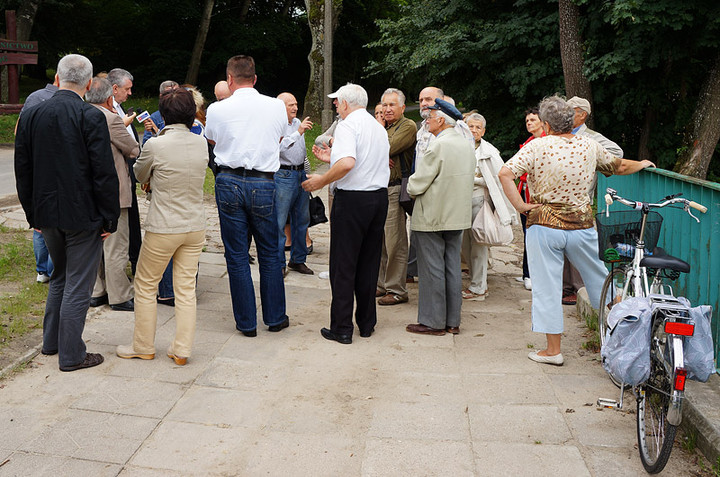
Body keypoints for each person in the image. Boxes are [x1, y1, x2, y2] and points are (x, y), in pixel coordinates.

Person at [499, 95, 655, 365]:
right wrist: (642, 164)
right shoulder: (589, 145)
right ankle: (623, 337)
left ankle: (553, 351)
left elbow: (505, 173)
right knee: (599, 278)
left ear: (546, 124)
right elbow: (618, 166)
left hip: (544, 225)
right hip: (582, 225)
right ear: (571, 121)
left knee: (547, 287)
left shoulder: (536, 146)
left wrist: (522, 206)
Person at [15, 53, 119, 372]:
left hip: (46, 212)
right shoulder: (91, 117)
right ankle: (71, 354)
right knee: (77, 282)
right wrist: (109, 217)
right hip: (83, 215)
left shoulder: (32, 113)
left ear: (58, 79)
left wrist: (33, 214)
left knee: (60, 275)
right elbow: (104, 173)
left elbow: (23, 170)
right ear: (88, 84)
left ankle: (52, 342)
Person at [115, 88, 208, 365]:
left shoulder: (156, 145)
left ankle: (143, 345)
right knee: (185, 288)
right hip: (195, 225)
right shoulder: (201, 143)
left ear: (163, 115)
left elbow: (139, 173)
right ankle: (182, 350)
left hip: (164, 226)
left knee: (145, 284)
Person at [205, 55, 289, 337]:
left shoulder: (218, 109)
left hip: (228, 179)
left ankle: (246, 323)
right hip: (263, 181)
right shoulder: (276, 105)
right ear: (255, 78)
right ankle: (275, 317)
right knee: (270, 251)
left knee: (237, 254)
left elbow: (213, 140)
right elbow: (278, 138)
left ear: (229, 80)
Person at [302, 83, 389, 344]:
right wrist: (334, 159)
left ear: (346, 103)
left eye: (337, 102)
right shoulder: (377, 126)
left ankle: (341, 326)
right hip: (377, 198)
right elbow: (362, 161)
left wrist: (322, 180)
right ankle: (366, 323)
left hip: (353, 200)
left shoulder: (348, 125)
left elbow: (349, 163)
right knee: (368, 261)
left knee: (343, 264)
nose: (335, 106)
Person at [405, 99, 476, 336]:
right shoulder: (466, 144)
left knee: (431, 268)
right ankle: (452, 321)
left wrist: (410, 187)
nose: (427, 122)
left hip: (433, 214)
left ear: (442, 120)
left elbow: (418, 182)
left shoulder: (438, 145)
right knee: (452, 266)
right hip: (457, 215)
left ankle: (433, 322)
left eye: (430, 117)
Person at [559, 96, 625, 305]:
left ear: (582, 114)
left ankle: (580, 288)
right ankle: (567, 288)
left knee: (578, 244)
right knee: (565, 244)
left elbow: (616, 153)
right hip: (561, 198)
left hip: (579, 199)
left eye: (570, 111)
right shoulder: (563, 134)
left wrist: (590, 161)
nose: (566, 115)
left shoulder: (591, 136)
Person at [86, 77, 139, 312]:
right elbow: (133, 149)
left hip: (87, 192)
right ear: (109, 98)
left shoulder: (79, 115)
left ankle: (97, 291)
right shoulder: (110, 119)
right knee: (116, 244)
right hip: (114, 191)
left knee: (93, 244)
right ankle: (119, 295)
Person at [461, 113, 516, 300]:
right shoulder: (459, 146)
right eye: (471, 126)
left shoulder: (489, 151)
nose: (474, 130)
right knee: (465, 245)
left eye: (478, 127)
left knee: (479, 244)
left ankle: (479, 287)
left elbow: (497, 179)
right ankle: (476, 279)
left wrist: (474, 179)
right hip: (460, 202)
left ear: (483, 131)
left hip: (479, 202)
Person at [16, 78, 59, 283]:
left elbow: (19, 130)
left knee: (39, 223)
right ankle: (51, 268)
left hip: (34, 166)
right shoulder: (68, 101)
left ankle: (42, 270)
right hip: (52, 168)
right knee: (52, 220)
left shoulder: (34, 97)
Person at [376, 88, 416, 306]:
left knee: (395, 242)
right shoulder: (383, 127)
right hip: (377, 188)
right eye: (384, 105)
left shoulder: (407, 126)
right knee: (379, 241)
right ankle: (381, 285)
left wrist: (379, 148)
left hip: (394, 189)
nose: (387, 109)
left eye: (392, 105)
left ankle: (397, 290)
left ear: (402, 107)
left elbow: (388, 147)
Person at [108, 68, 142, 276]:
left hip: (128, 170)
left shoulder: (118, 107)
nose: (130, 93)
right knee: (123, 224)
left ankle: (135, 258)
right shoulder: (109, 111)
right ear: (115, 88)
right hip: (119, 171)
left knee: (132, 220)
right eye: (127, 89)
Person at [276, 92, 314, 275]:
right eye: (290, 104)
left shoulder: (298, 122)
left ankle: (298, 260)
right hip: (283, 175)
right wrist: (298, 133)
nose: (295, 107)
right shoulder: (276, 125)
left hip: (300, 174)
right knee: (280, 220)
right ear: (280, 107)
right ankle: (278, 263)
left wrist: (306, 171)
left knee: (302, 218)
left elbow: (302, 150)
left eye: (296, 104)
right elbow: (279, 148)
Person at [515, 107, 545, 291]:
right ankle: (527, 272)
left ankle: (531, 274)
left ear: (543, 122)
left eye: (533, 120)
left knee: (534, 235)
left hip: (536, 195)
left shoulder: (545, 142)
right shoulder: (529, 141)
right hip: (524, 193)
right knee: (528, 234)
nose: (529, 123)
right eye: (527, 121)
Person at [142, 80, 180, 145]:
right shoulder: (155, 118)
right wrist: (156, 134)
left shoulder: (185, 113)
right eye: (168, 93)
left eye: (176, 92)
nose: (173, 95)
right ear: (161, 96)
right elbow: (146, 144)